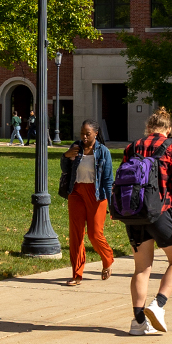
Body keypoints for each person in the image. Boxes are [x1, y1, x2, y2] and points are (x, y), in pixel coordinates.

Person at [121, 107, 172, 336]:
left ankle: (138, 322)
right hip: (163, 211)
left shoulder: (131, 147)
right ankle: (158, 305)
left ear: (148, 127)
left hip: (134, 213)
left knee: (141, 268)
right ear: (169, 129)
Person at [60, 120, 115, 285]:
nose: (83, 137)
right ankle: (77, 273)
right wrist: (66, 156)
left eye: (87, 134)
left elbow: (108, 179)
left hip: (96, 194)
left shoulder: (103, 152)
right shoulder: (75, 147)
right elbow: (65, 168)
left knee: (94, 234)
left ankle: (108, 259)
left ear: (96, 133)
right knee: (76, 234)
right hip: (76, 192)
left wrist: (112, 205)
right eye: (82, 133)